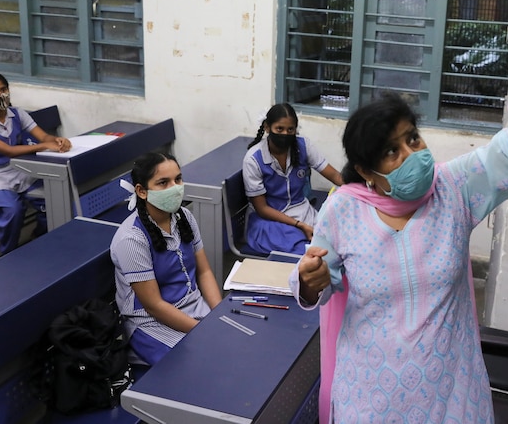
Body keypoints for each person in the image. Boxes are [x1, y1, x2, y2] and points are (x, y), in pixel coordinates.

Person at [292, 8, 508, 423]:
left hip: (450, 396)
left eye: (413, 139)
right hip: (370, 399)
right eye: (392, 152)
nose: (412, 154)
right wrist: (309, 283)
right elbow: (317, 280)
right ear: (366, 173)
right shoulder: (343, 209)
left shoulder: (454, 189)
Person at [110, 151, 223, 366]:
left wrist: (217, 315)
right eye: (163, 182)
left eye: (178, 179)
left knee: (233, 345)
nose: (174, 188)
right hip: (150, 323)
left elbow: (205, 271)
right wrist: (203, 331)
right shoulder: (131, 238)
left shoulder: (184, 217)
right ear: (142, 191)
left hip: (193, 307)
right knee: (205, 363)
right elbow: (154, 306)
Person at [0, 71, 72, 256]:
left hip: (18, 170)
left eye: (3, 89)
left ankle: (38, 238)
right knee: (12, 208)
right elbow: (6, 150)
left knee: (52, 196)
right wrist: (44, 146)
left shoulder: (17, 113)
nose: (0, 95)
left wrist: (56, 141)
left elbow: (42, 135)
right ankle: (8, 254)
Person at [242, 103, 343, 255]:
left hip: (302, 212)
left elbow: (334, 175)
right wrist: (299, 225)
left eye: (290, 129)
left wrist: (361, 190)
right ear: (267, 128)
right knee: (306, 251)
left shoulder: (303, 146)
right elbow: (262, 209)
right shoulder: (253, 159)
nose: (285, 134)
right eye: (279, 129)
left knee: (334, 242)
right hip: (269, 221)